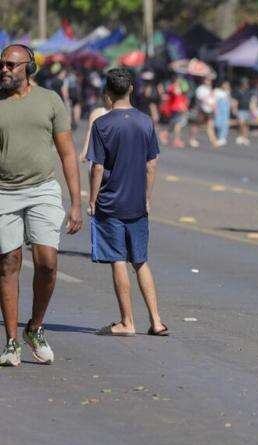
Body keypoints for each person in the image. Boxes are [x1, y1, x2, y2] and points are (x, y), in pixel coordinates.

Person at [0, 44, 83, 367]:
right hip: (4, 192)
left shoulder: (50, 100)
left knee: (47, 262)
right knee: (8, 261)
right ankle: (10, 342)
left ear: (29, 68)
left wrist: (76, 202)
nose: (4, 69)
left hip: (42, 190)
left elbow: (66, 153)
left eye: (11, 65)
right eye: (1, 64)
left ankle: (34, 327)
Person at [86, 68, 167, 337]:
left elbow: (97, 167)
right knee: (141, 260)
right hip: (137, 203)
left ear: (107, 94)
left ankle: (126, 322)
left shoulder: (102, 124)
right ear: (131, 89)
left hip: (110, 202)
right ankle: (156, 321)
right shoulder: (146, 122)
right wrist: (147, 197)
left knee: (117, 259)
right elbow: (151, 163)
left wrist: (92, 200)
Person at [188, 74, 218, 148]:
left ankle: (214, 141)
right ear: (204, 80)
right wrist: (210, 104)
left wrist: (214, 107)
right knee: (196, 125)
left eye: (210, 80)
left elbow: (213, 99)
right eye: (207, 80)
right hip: (201, 109)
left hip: (209, 110)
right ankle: (192, 139)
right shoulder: (201, 89)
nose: (209, 81)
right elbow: (202, 99)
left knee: (210, 125)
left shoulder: (209, 89)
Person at [159, 75, 188, 148]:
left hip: (177, 108)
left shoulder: (178, 87)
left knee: (173, 124)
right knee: (177, 124)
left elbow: (180, 97)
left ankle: (164, 134)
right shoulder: (173, 87)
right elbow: (175, 96)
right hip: (175, 108)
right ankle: (176, 140)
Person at [233, 77, 257, 145]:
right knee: (241, 123)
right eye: (244, 83)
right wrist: (234, 108)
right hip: (241, 110)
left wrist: (253, 110)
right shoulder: (238, 91)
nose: (246, 85)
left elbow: (252, 101)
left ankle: (245, 137)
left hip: (247, 110)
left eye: (246, 83)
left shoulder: (249, 92)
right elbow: (236, 101)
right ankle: (241, 136)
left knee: (246, 125)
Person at [214, 80, 231, 146]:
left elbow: (228, 102)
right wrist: (215, 109)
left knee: (225, 124)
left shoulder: (227, 92)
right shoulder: (217, 91)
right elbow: (214, 100)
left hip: (225, 110)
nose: (226, 86)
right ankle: (218, 136)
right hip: (219, 109)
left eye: (227, 85)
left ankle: (222, 138)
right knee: (217, 124)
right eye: (225, 84)